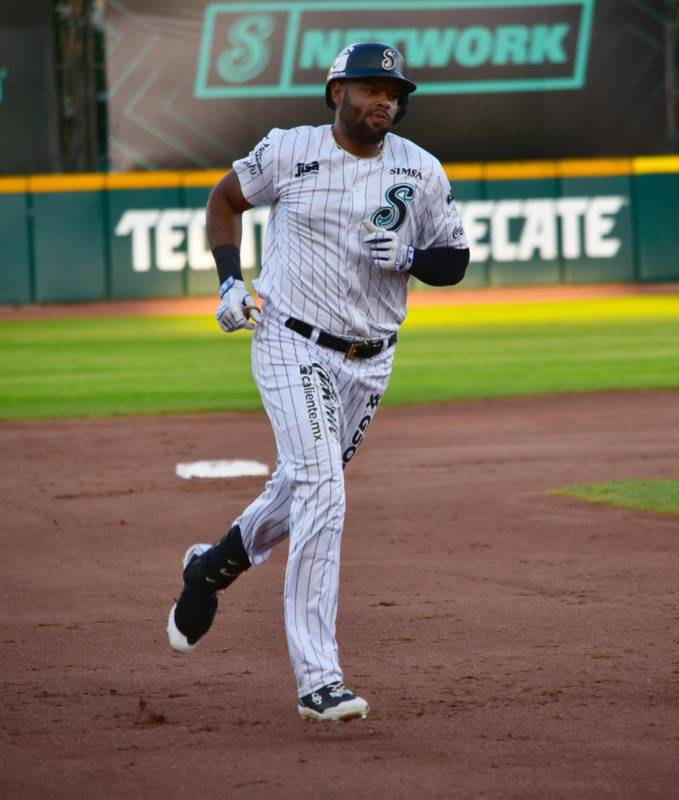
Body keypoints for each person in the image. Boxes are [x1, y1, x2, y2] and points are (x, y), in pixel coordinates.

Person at [166, 42, 470, 722]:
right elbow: (225, 200)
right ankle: (319, 678)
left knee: (297, 488)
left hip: (372, 360)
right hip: (290, 339)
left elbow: (456, 259)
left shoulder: (419, 170)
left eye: (393, 91)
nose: (383, 100)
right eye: (368, 88)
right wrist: (228, 283)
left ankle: (210, 567)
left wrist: (416, 257)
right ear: (337, 93)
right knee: (324, 491)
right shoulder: (290, 150)